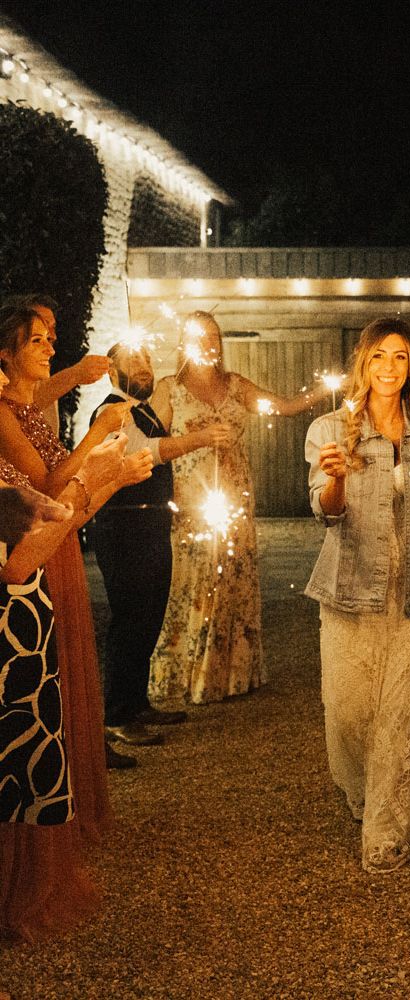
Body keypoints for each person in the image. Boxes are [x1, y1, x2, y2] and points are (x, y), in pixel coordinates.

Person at [304, 317, 410, 872]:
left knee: (402, 710)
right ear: (363, 362)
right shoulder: (331, 429)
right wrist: (333, 479)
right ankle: (365, 793)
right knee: (352, 713)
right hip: (351, 587)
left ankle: (391, 828)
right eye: (379, 356)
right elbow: (326, 514)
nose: (388, 368)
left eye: (400, 357)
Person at [0, 341, 143, 941]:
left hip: (24, 610)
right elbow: (16, 559)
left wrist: (101, 482)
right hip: (13, 619)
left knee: (22, 766)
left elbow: (39, 512)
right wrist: (101, 478)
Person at [0, 306, 153, 798]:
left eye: (51, 336)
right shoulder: (6, 413)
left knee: (66, 667)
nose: (50, 346)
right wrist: (94, 437)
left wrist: (112, 472)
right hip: (35, 546)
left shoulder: (24, 408)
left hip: (54, 538)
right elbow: (48, 484)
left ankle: (75, 786)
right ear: (6, 355)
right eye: (37, 340)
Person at [150, 311, 324, 704]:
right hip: (193, 504)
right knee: (194, 583)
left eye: (213, 337)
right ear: (184, 343)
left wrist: (323, 391)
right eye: (199, 337)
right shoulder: (170, 389)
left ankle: (233, 674)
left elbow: (284, 407)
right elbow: (153, 444)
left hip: (234, 502)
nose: (208, 344)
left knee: (232, 580)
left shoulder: (235, 386)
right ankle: (188, 674)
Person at [90, 343, 232, 751]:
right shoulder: (110, 412)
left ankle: (137, 703)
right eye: (133, 360)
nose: (145, 367)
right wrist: (200, 438)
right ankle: (117, 716)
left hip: (150, 526)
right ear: (111, 371)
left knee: (150, 614)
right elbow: (146, 452)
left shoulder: (146, 411)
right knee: (130, 618)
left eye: (148, 360)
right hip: (122, 529)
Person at [0, 293, 110, 434]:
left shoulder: (40, 370)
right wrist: (101, 427)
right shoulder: (6, 408)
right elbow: (24, 407)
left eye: (52, 328)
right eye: (37, 338)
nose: (53, 336)